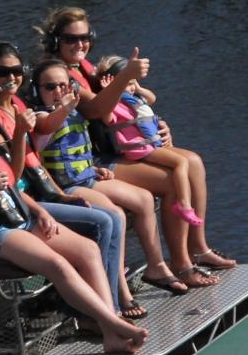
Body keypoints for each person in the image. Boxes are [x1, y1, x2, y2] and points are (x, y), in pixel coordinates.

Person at [0, 91, 148, 355]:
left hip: (17, 217)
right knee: (57, 265)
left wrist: (40, 211)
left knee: (88, 249)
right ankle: (112, 323)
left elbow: (13, 189)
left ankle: (111, 334)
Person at [0, 43, 138, 318]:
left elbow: (44, 137)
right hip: (21, 202)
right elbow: (12, 177)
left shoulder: (18, 105)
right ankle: (99, 312)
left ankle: (105, 306)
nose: (11, 78)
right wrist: (19, 134)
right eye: (2, 72)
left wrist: (64, 110)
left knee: (111, 218)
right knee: (102, 221)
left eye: (17, 71)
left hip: (42, 193)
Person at [29, 57, 190, 299]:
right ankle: (121, 292)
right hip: (65, 187)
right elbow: (49, 126)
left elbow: (77, 148)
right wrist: (67, 105)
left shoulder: (74, 113)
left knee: (145, 199)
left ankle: (156, 268)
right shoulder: (42, 117)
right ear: (37, 91)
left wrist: (93, 168)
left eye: (63, 85)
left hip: (87, 176)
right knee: (114, 215)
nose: (58, 91)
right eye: (50, 87)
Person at [88, 52, 234, 281]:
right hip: (107, 158)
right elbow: (102, 113)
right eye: (70, 38)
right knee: (173, 177)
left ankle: (198, 247)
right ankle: (181, 264)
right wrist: (116, 85)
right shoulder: (70, 81)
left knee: (193, 161)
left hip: (138, 148)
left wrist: (135, 85)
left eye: (84, 37)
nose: (79, 42)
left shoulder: (117, 85)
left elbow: (148, 100)